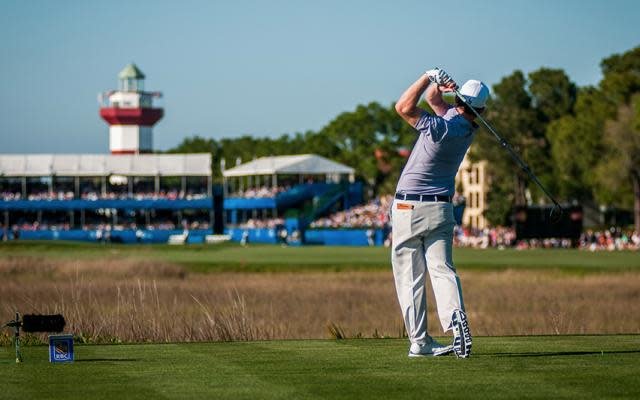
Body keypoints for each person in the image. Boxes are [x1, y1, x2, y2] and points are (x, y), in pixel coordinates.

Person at [391, 68, 489, 358]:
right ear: (481, 110)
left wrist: (426, 76)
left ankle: (420, 342)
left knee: (410, 276)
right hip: (442, 208)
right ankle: (455, 317)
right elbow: (434, 101)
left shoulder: (440, 127)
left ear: (459, 101)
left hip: (409, 207)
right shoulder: (465, 128)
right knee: (442, 269)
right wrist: (438, 85)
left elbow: (403, 107)